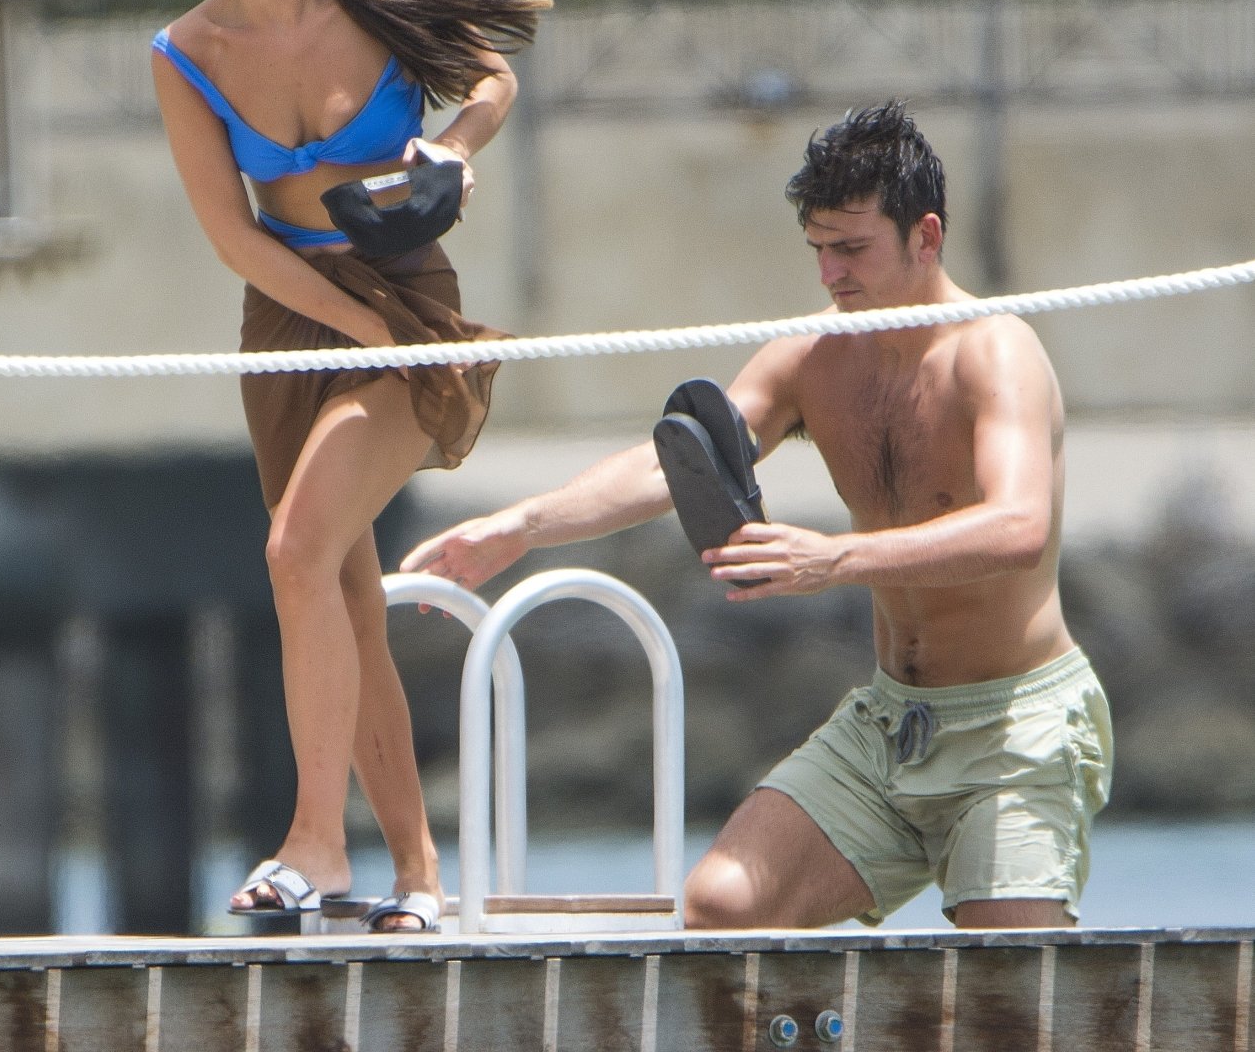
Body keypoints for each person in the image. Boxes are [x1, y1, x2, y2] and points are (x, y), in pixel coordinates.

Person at [402, 101, 1113, 931]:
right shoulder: (812, 355)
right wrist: (519, 527)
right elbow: (674, 464)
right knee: (722, 908)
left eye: (852, 249)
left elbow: (1018, 526)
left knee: (1009, 977)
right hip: (891, 721)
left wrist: (832, 561)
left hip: (1014, 723)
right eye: (818, 249)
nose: (830, 274)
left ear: (925, 237)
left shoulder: (994, 351)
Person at [152, 0, 557, 929]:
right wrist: (347, 324)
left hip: (405, 296)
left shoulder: (377, 0)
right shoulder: (186, 52)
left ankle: (313, 842)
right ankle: (418, 874)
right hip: (287, 320)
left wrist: (453, 148)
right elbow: (235, 238)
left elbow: (492, 79)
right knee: (335, 587)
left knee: (294, 548)